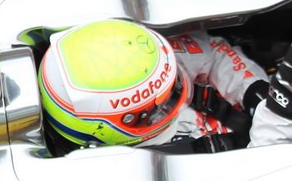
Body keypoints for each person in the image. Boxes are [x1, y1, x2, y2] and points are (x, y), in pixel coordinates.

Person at [37, 18, 292, 154]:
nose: (174, 101)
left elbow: (211, 53)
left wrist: (255, 93)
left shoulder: (146, 60)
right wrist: (275, 121)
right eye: (155, 109)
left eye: (172, 88)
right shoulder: (146, 172)